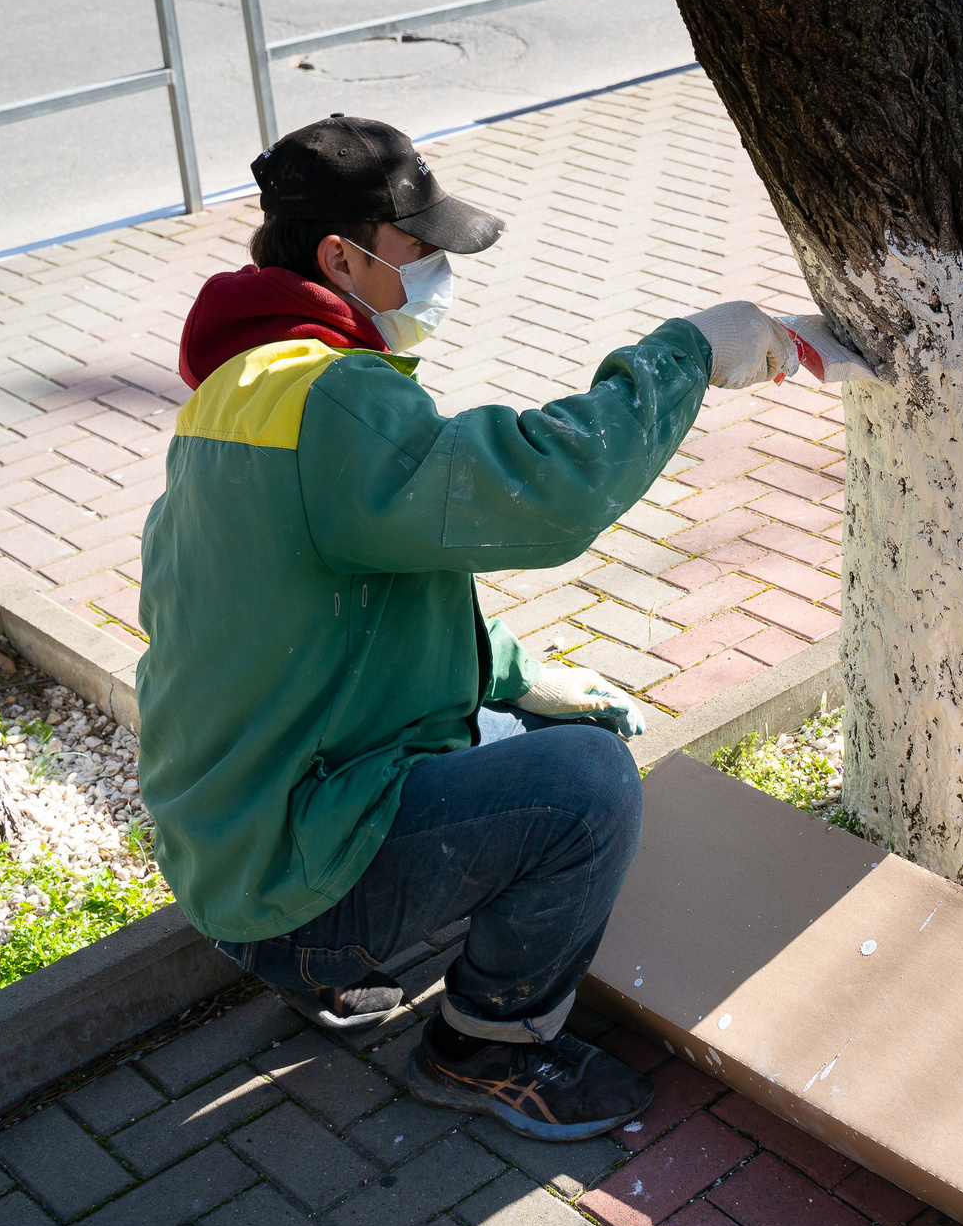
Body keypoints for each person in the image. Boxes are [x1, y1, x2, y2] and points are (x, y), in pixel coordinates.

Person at [136, 114, 799, 1141]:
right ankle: (486, 1045)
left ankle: (345, 966)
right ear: (341, 257)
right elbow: (541, 492)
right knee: (583, 784)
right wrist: (683, 359)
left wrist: (511, 673)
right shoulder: (334, 399)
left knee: (532, 735)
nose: (443, 267)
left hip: (237, 844)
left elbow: (343, 604)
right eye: (421, 247)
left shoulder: (234, 397)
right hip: (293, 891)